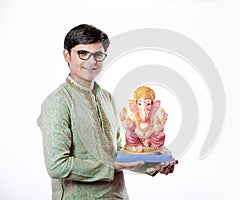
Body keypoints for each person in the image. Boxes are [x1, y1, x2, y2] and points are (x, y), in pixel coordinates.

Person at [37, 24, 178, 199]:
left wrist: (153, 165)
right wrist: (111, 167)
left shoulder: (106, 98)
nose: (92, 61)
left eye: (98, 54)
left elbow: (120, 154)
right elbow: (57, 166)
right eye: (83, 53)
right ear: (67, 55)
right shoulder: (58, 102)